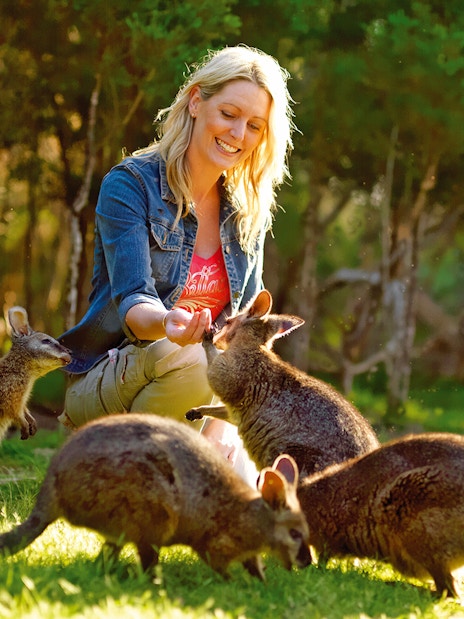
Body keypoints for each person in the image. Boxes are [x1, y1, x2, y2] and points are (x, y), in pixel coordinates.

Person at [58, 44, 295, 483]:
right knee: (187, 356)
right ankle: (127, 481)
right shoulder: (130, 185)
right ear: (196, 101)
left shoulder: (246, 210)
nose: (238, 133)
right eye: (229, 113)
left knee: (261, 492)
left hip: (202, 392)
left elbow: (249, 332)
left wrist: (223, 423)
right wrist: (168, 322)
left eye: (254, 125)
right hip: (112, 379)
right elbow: (133, 301)